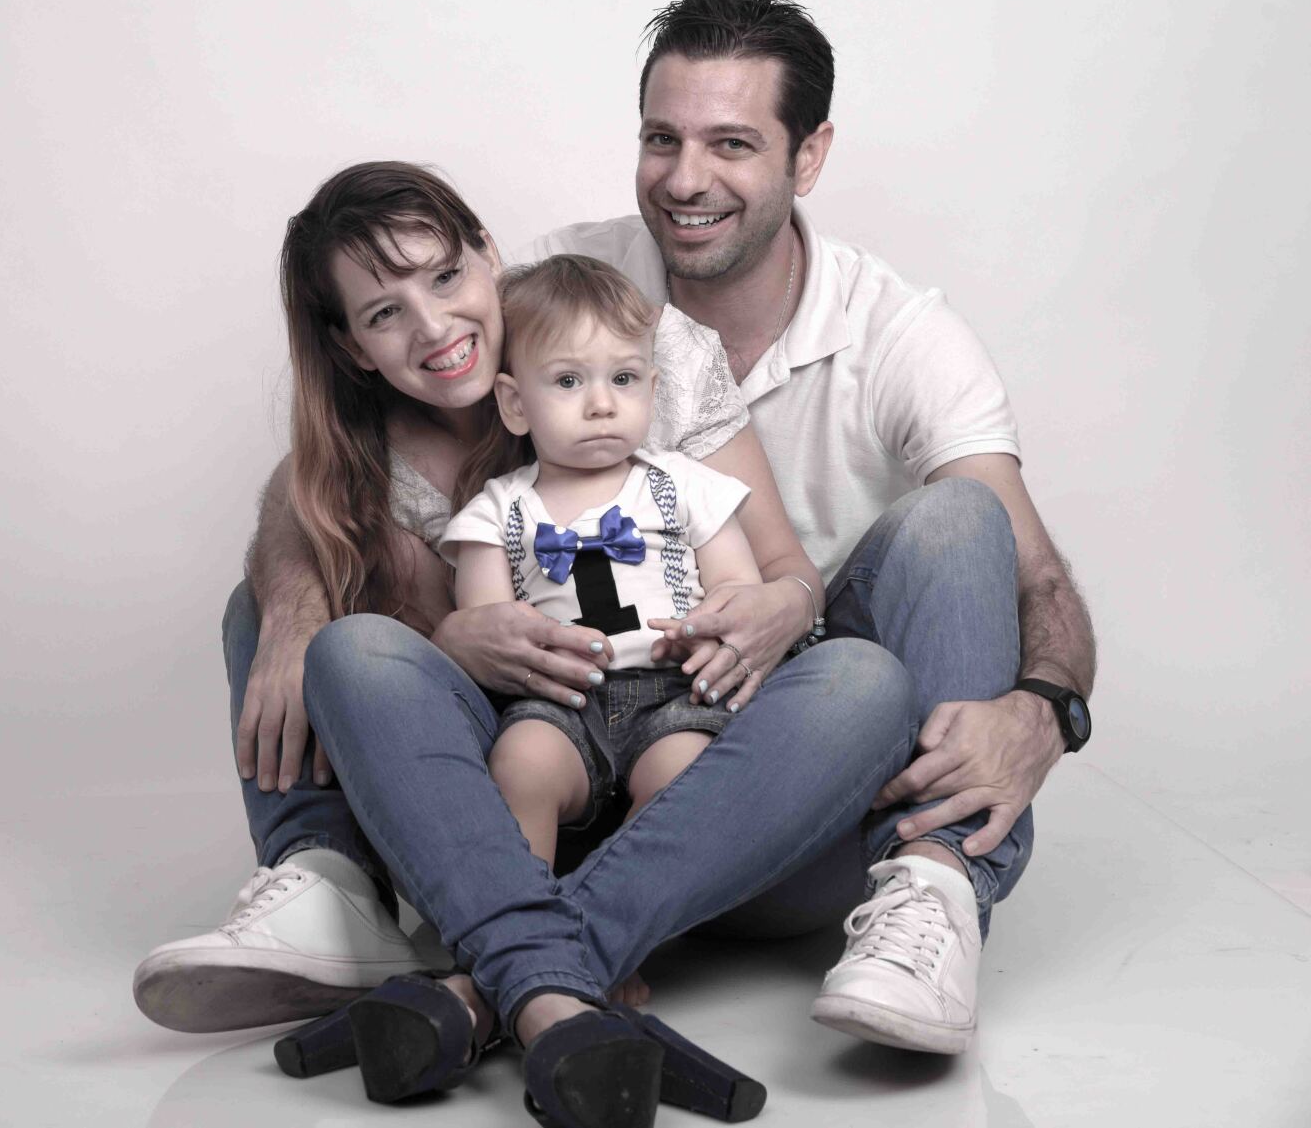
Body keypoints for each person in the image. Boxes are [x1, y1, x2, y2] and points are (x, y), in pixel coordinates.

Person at [134, 159, 923, 1119]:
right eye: (384, 313)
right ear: (350, 346)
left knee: (862, 682)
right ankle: (328, 881)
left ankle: (494, 983)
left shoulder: (623, 342)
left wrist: (769, 605)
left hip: (683, 758)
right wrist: (446, 639)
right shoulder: (379, 464)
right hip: (525, 764)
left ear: (488, 254)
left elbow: (771, 562)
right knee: (298, 623)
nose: (434, 327)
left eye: (445, 276)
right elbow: (326, 542)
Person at [515, 0, 1098, 1054]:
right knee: (291, 592)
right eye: (661, 138)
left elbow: (1037, 580)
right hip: (596, 775)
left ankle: (931, 889)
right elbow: (381, 466)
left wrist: (1044, 709)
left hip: (812, 801)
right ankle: (404, 898)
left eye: (732, 144)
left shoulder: (899, 334)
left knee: (956, 519)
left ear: (809, 155)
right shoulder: (564, 285)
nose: (684, 179)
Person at [444, 255, 768, 868]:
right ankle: (520, 912)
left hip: (676, 695)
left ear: (653, 389)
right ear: (515, 403)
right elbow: (489, 632)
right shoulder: (497, 510)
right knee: (521, 765)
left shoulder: (685, 484)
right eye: (568, 381)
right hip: (559, 701)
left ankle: (623, 914)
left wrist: (708, 635)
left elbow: (738, 589)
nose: (601, 404)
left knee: (687, 781)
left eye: (623, 378)